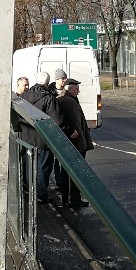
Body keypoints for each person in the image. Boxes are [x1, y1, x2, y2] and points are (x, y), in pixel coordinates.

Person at [21, 71, 76, 203]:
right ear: (47, 82)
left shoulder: (25, 95)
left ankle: (29, 189)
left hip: (26, 136)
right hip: (43, 138)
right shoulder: (48, 98)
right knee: (43, 167)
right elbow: (57, 121)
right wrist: (68, 131)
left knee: (29, 164)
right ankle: (41, 195)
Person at [56, 78, 94, 208]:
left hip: (67, 140)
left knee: (66, 171)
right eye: (76, 89)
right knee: (76, 172)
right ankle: (74, 198)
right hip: (75, 141)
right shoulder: (70, 102)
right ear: (69, 89)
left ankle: (66, 198)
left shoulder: (62, 99)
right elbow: (75, 122)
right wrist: (77, 132)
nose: (78, 91)